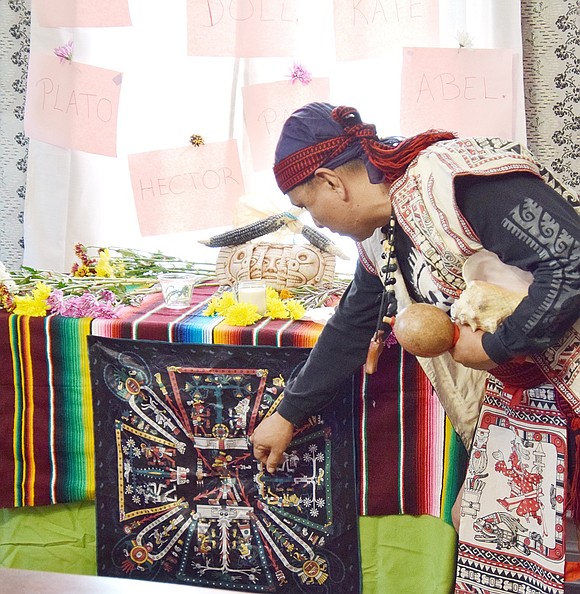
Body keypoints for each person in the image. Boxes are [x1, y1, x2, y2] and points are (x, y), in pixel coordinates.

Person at [249, 102, 580, 593]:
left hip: (566, 383)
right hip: (524, 402)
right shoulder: (381, 236)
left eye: (305, 204)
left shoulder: (456, 182)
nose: (314, 221)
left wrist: (496, 345)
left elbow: (571, 262)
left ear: (331, 182)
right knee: (508, 564)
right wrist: (289, 412)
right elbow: (351, 325)